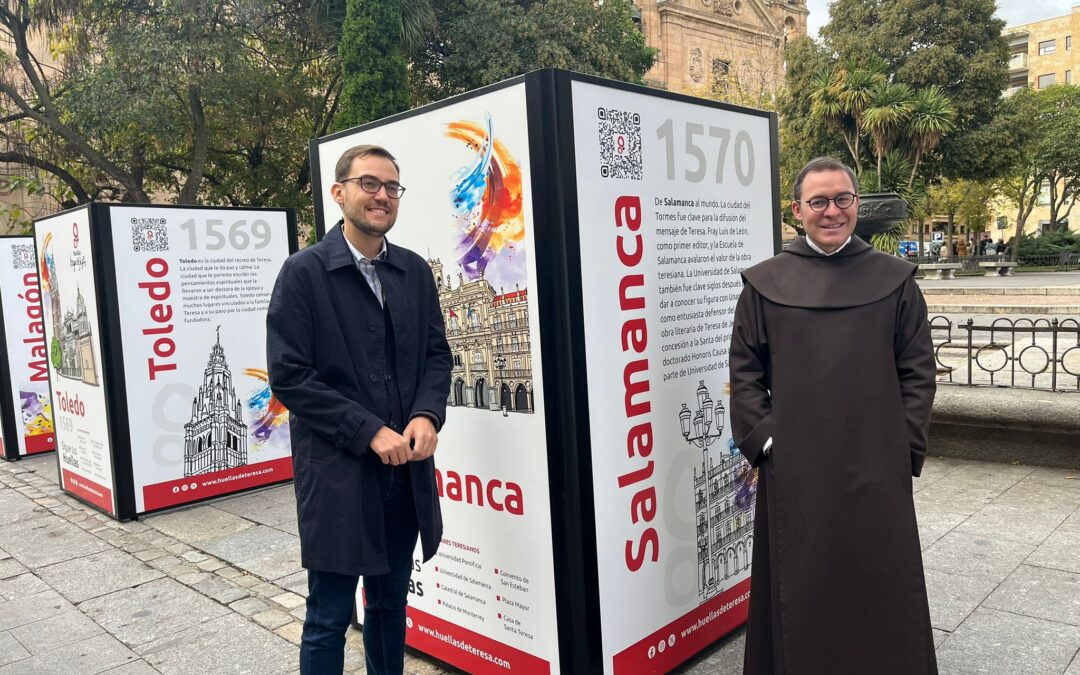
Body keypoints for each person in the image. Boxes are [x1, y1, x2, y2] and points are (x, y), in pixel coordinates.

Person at [730, 157, 937, 675]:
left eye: (842, 199)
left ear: (857, 205)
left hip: (875, 464)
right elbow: (745, 372)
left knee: (878, 579)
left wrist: (902, 443)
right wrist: (768, 440)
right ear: (797, 210)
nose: (832, 211)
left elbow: (917, 371)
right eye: (818, 201)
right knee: (802, 583)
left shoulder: (895, 282)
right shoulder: (764, 284)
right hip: (797, 466)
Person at [267, 144, 451, 674]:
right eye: (369, 183)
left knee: (391, 605)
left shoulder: (414, 272)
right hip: (340, 475)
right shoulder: (303, 274)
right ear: (339, 192)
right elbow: (290, 376)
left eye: (391, 187)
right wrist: (368, 430)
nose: (382, 196)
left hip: (405, 473)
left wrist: (425, 414)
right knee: (327, 616)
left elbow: (437, 355)